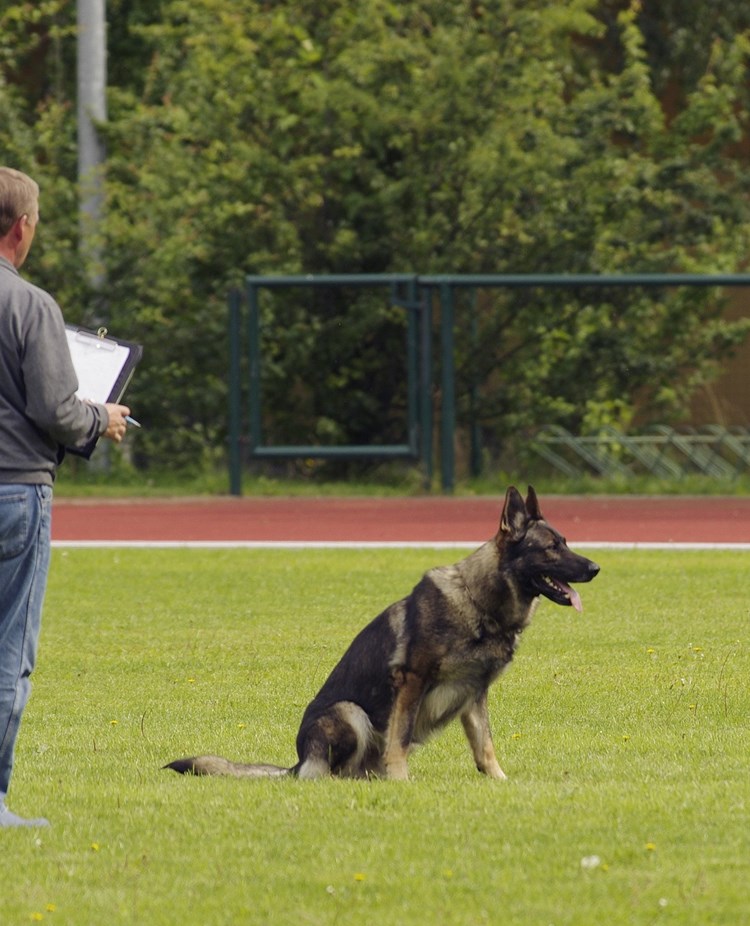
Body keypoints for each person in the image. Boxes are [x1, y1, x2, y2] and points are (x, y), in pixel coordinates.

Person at [0, 166, 130, 827]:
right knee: (7, 653)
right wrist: (99, 420)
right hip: (15, 492)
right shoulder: (30, 305)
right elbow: (55, 407)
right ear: (21, 227)